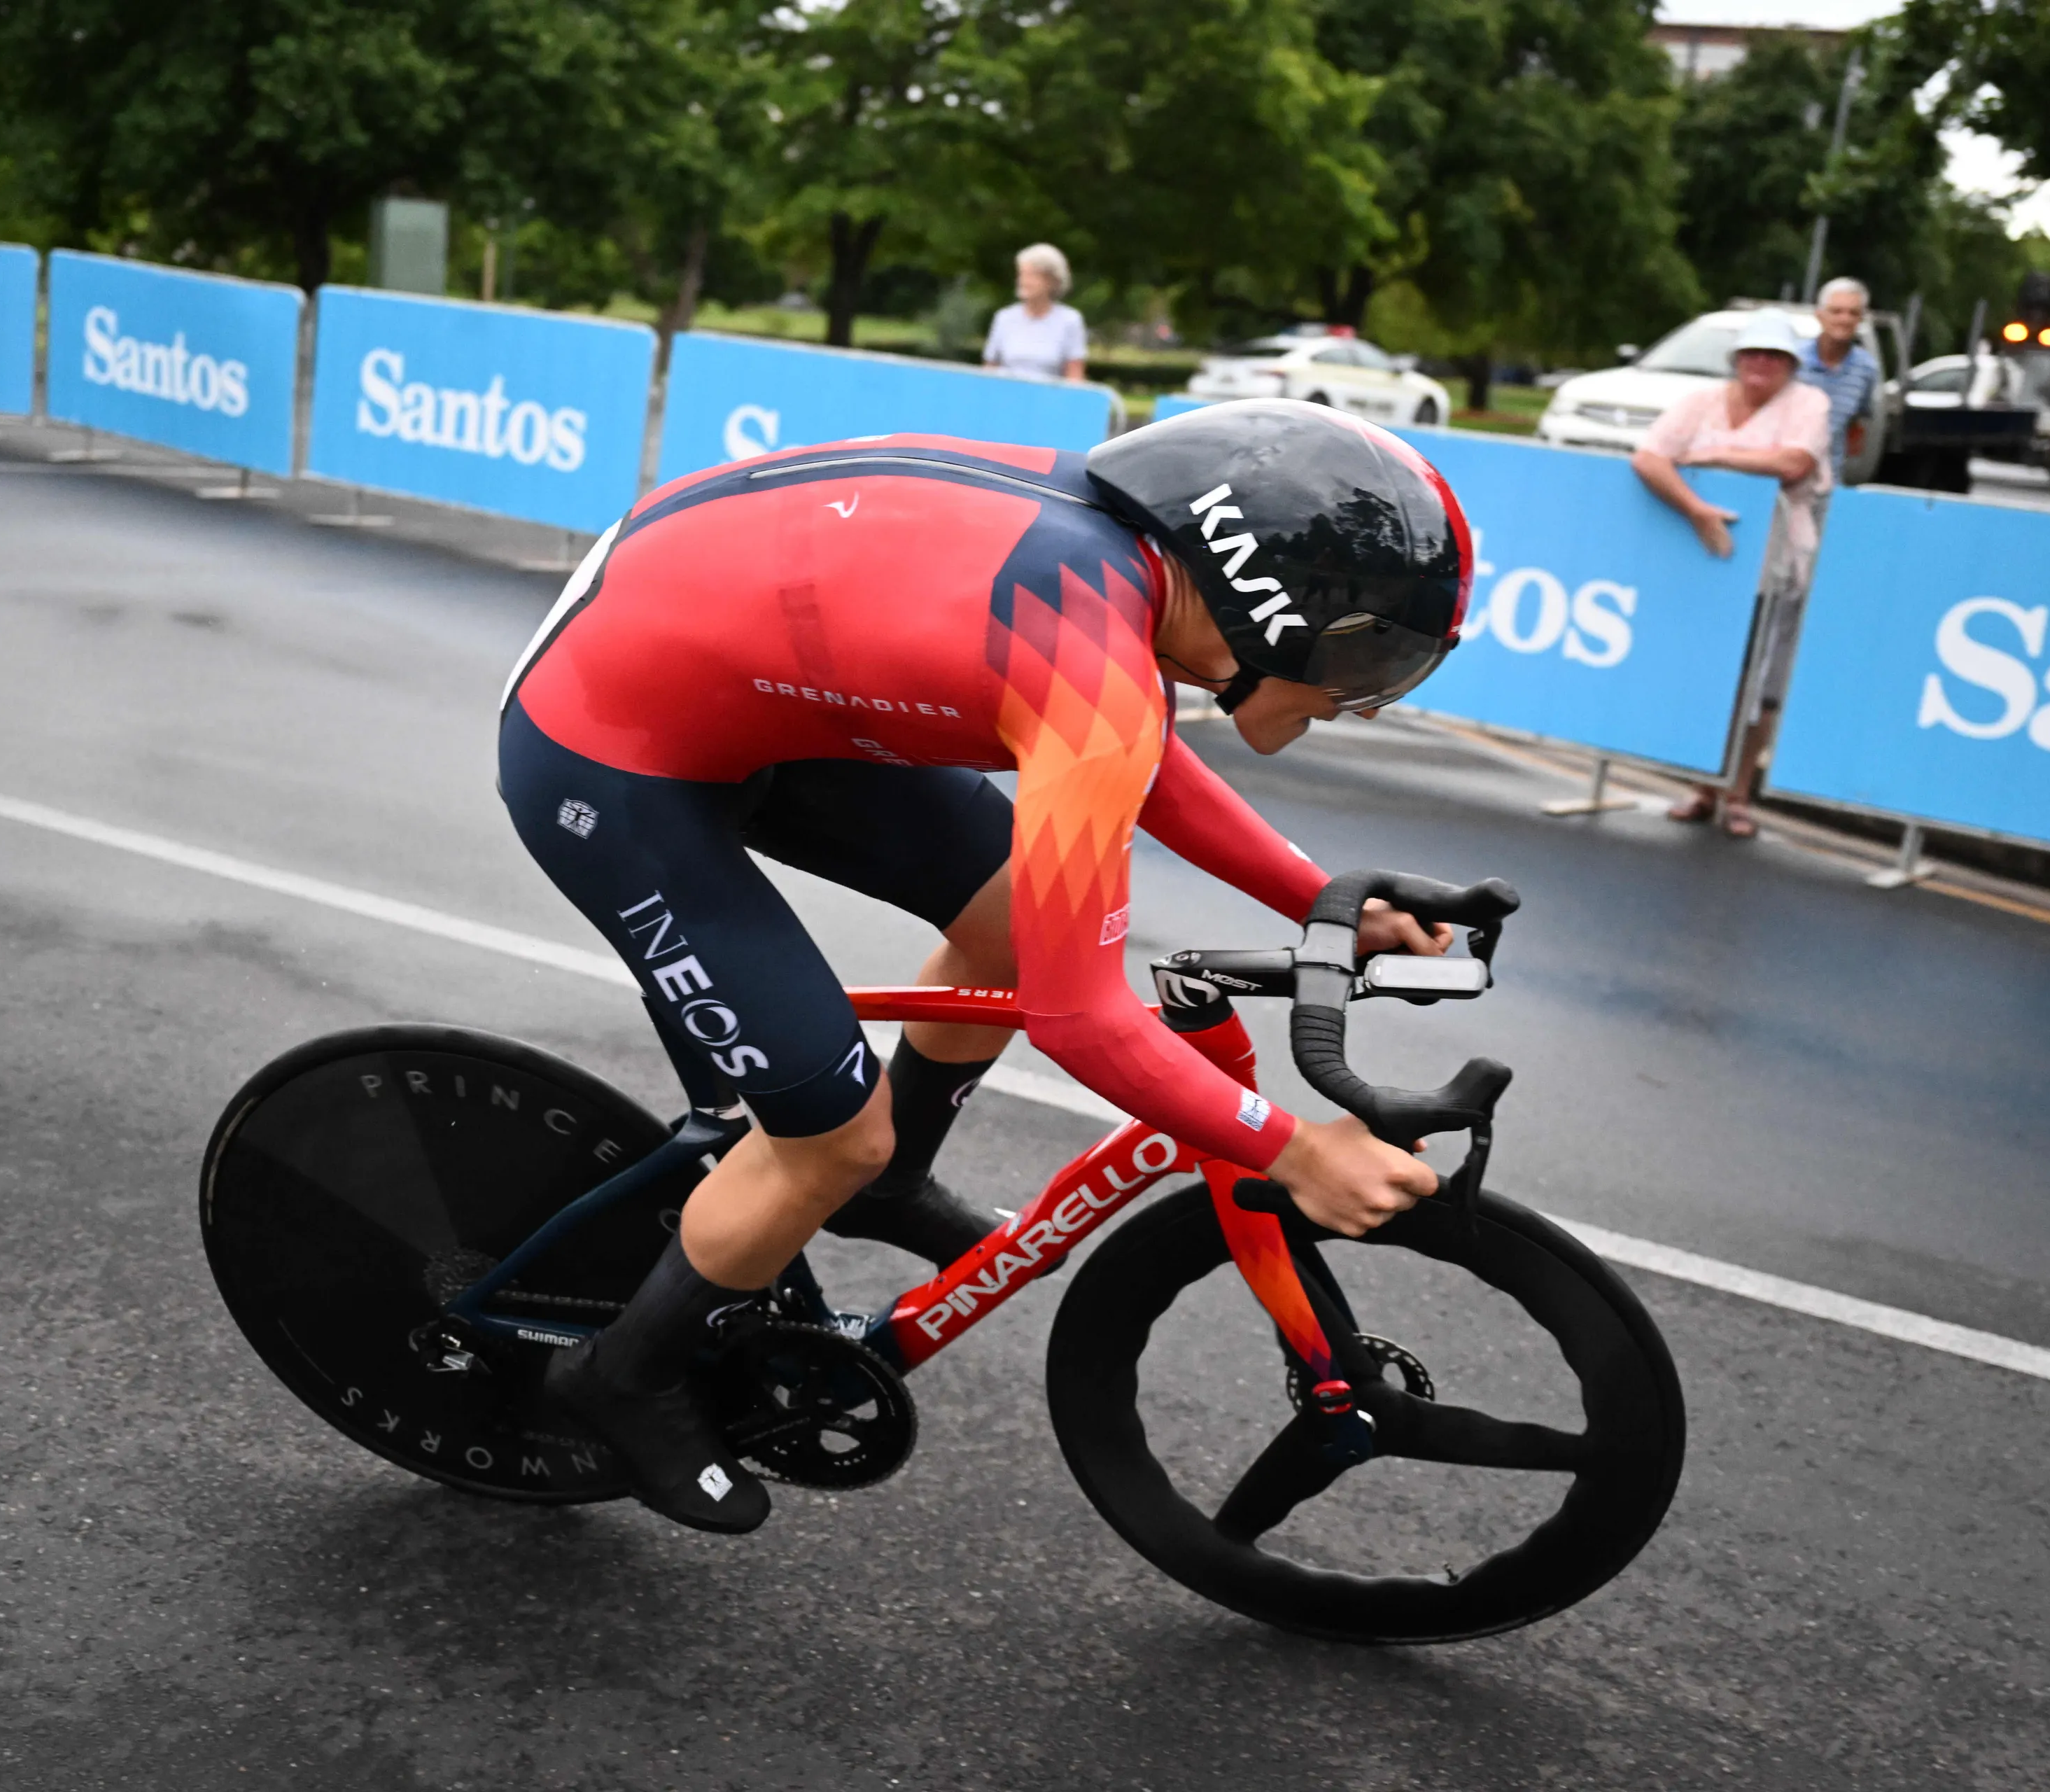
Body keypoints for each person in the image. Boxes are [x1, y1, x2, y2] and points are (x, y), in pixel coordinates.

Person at [502, 400, 1472, 1532]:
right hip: (609, 747)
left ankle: (891, 1178)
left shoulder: (1129, 561)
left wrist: (1322, 901)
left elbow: (1130, 758)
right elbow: (1081, 1018)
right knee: (829, 1138)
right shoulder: (1091, 659)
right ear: (1274, 608)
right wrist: (1291, 1149)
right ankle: (620, 1376)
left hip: (739, 678)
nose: (1361, 693)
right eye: (1363, 654)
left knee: (1012, 921)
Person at [1631, 309, 1832, 839]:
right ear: (1737, 360)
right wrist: (1696, 507)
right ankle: (1704, 784)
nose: (1761, 364)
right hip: (1715, 559)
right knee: (1715, 673)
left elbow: (1794, 464)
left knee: (1762, 683)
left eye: (1774, 356)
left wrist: (1715, 454)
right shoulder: (1701, 401)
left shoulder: (1809, 403)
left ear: (1790, 364)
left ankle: (1739, 790)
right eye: (1752, 354)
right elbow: (1650, 457)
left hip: (1781, 560)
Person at [1798, 277, 1881, 483]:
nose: (1845, 319)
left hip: (1829, 480)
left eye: (1853, 313)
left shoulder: (1867, 369)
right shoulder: (1794, 361)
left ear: (1862, 319)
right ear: (1820, 315)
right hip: (1781, 476)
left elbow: (1856, 422)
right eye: (1836, 311)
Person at [981, 243, 1086, 382]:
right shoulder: (1004, 318)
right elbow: (989, 372)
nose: (1024, 281)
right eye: (1021, 275)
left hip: (1049, 400)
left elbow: (1075, 379)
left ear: (1052, 281)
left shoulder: (1070, 321)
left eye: (1031, 276)